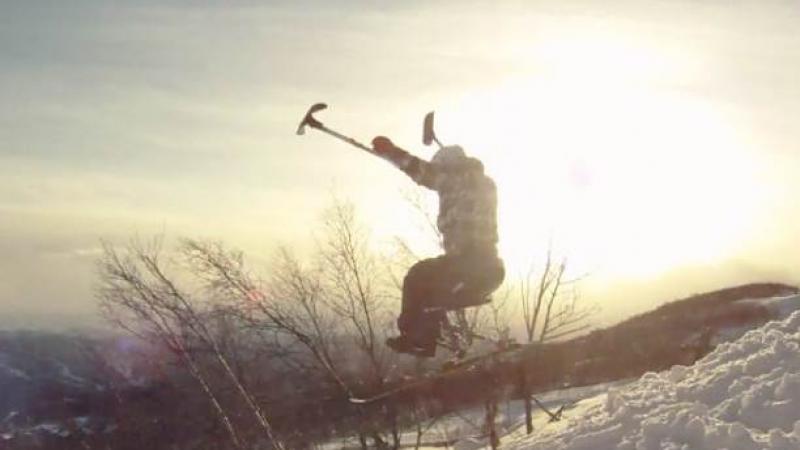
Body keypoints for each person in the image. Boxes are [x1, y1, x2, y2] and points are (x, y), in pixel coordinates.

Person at [371, 136, 505, 357]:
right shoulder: (479, 182)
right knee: (428, 284)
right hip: (485, 267)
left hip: (473, 265)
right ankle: (427, 339)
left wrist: (391, 151)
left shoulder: (459, 180)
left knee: (418, 277)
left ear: (449, 168)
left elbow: (423, 172)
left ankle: (420, 339)